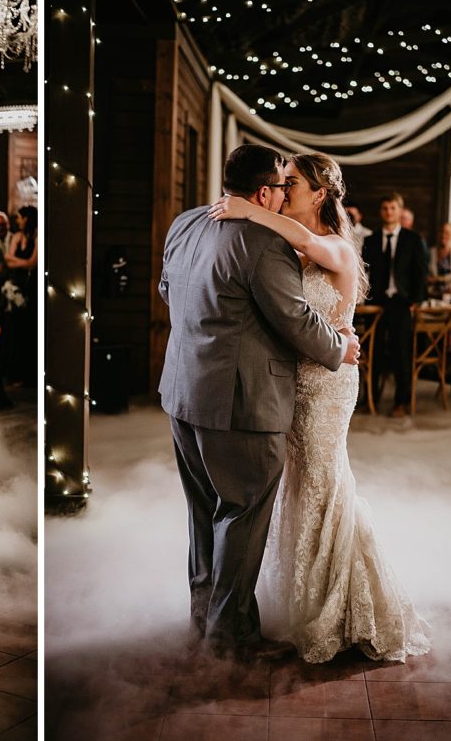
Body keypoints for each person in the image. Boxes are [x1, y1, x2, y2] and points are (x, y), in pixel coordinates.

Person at [209, 151, 430, 663]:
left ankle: (347, 606)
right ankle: (301, 600)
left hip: (329, 385)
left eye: (292, 183)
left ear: (320, 193)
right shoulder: (287, 245)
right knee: (298, 489)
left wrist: (245, 208)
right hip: (293, 385)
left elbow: (308, 242)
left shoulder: (335, 246)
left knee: (326, 485)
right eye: (280, 183)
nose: (283, 189)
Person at [158, 144, 360, 658]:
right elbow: (295, 321)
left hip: (183, 394)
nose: (284, 195)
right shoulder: (262, 243)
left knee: (203, 511)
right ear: (265, 190)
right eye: (281, 186)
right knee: (242, 513)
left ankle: (204, 620)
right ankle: (230, 639)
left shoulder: (185, 223)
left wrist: (214, 331)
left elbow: (169, 289)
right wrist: (340, 346)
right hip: (241, 403)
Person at [362, 193, 429, 418]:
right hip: (378, 304)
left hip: (402, 303)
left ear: (400, 211)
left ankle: (401, 401)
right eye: (385, 208)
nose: (389, 212)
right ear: (381, 212)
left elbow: (421, 273)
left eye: (393, 208)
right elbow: (364, 272)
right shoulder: (371, 240)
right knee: (375, 353)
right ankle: (370, 398)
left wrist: (415, 301)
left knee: (401, 353)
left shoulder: (412, 239)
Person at [2, 205, 38, 386]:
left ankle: (27, 374)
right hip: (15, 283)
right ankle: (13, 372)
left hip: (30, 285)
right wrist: (22, 263)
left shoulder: (37, 235)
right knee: (13, 327)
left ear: (27, 218)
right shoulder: (16, 236)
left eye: (19, 217)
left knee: (28, 328)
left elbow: (34, 262)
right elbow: (8, 260)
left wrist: (20, 262)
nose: (17, 220)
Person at [428, 222, 451, 298]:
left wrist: (438, 279)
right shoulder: (432, 251)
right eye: (441, 232)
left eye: (447, 232)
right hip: (434, 292)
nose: (443, 235)